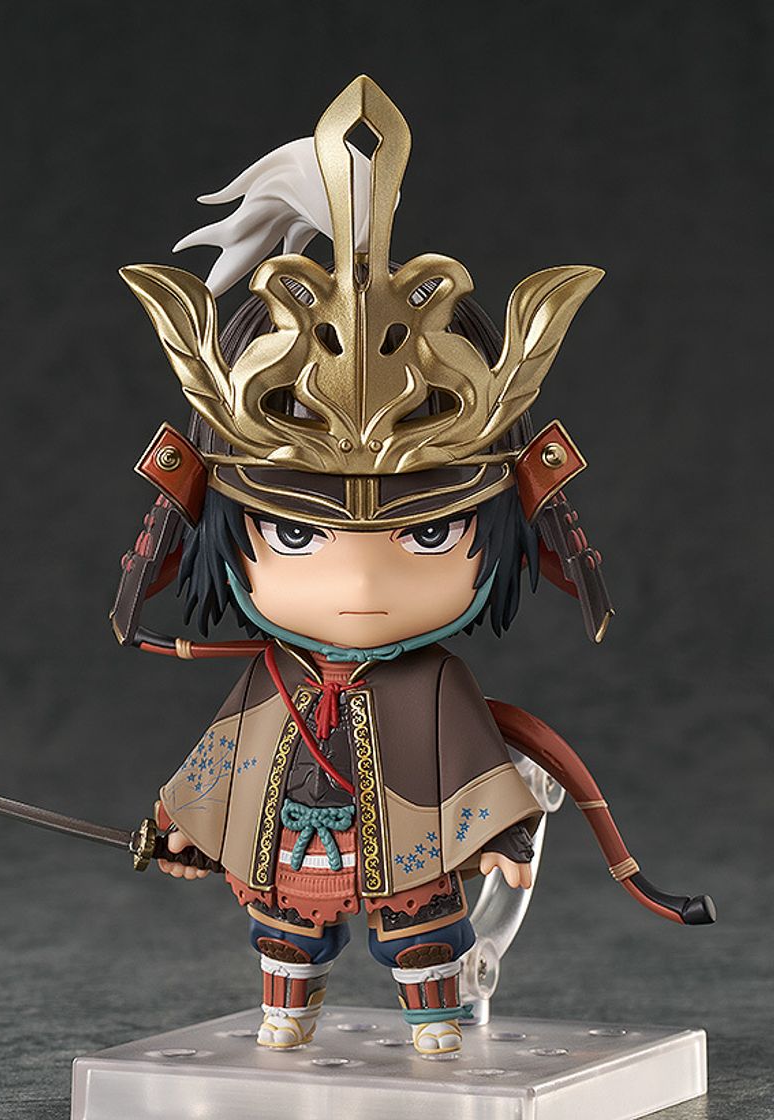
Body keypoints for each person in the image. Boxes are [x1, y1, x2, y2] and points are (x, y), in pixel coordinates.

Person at [116, 75, 614, 1055]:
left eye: (426, 536)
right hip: (293, 844)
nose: (358, 585)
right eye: (295, 536)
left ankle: (432, 1025)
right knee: (286, 935)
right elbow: (226, 759)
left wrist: (504, 834)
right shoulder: (275, 678)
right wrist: (182, 822)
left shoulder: (429, 681)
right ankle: (285, 1014)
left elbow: (473, 763)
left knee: (422, 935)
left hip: (409, 846)